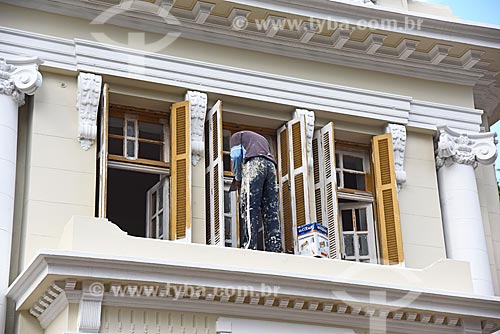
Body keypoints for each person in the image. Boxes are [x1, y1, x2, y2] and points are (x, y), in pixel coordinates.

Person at [230, 131, 282, 253]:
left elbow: (237, 156)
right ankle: (274, 247)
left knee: (249, 206)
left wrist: (238, 178)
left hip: (254, 163)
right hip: (271, 167)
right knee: (271, 210)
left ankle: (249, 245)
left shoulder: (236, 137)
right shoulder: (262, 139)